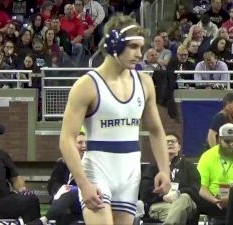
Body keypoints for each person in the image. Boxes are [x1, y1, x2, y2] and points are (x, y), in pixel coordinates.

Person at [59, 14, 171, 225]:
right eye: (133, 47)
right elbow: (66, 139)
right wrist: (83, 184)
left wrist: (164, 170)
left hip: (129, 173)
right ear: (113, 45)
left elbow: (156, 130)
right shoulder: (87, 85)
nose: (140, 54)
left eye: (142, 48)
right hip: (97, 170)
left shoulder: (145, 83)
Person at [140, 132, 201, 225]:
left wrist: (178, 193)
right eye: (166, 142)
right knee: (179, 214)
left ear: (179, 147)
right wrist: (163, 196)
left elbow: (195, 190)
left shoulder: (189, 167)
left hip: (186, 205)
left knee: (184, 198)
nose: (170, 143)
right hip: (161, 206)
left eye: (173, 141)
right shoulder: (153, 168)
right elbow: (145, 192)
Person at [198, 123, 233, 224]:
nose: (231, 144)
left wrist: (231, 199)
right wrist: (214, 200)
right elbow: (201, 187)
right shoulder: (207, 156)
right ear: (219, 140)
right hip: (212, 200)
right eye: (227, 141)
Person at [0, 125, 41, 222]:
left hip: (0, 202)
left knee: (31, 200)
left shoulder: (1, 155)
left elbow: (15, 179)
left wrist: (22, 189)